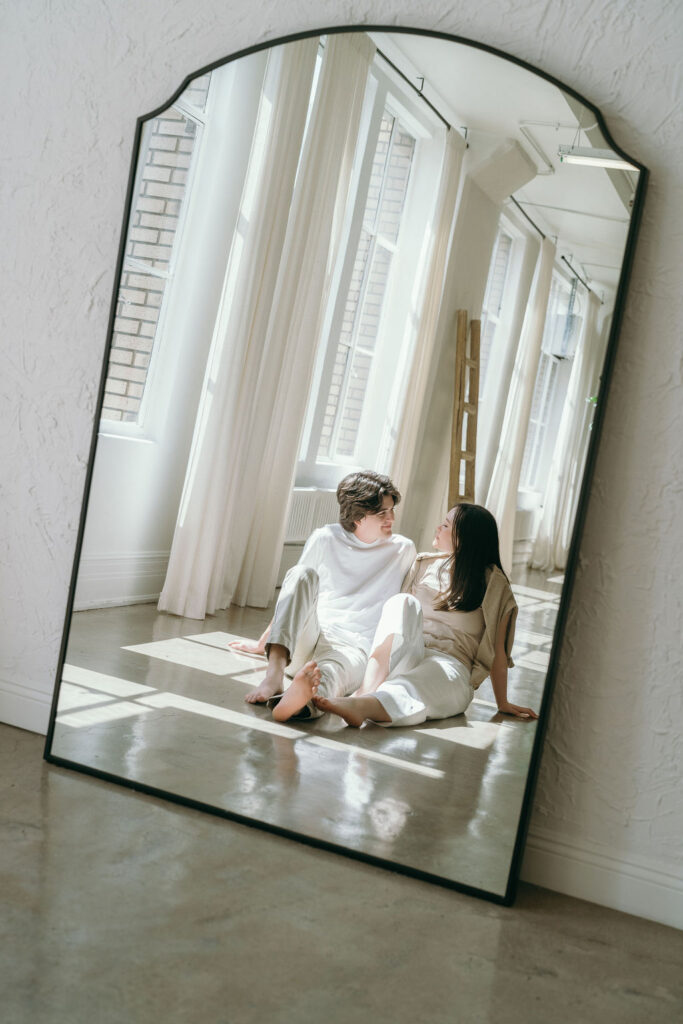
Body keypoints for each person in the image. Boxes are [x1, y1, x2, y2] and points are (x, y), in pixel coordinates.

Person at [312, 503, 539, 727]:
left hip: (451, 664)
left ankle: (363, 706)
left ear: (463, 537)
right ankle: (364, 692)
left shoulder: (495, 584)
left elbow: (498, 652)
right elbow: (396, 624)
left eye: (446, 525)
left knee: (417, 684)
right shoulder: (423, 563)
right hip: (409, 652)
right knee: (402, 601)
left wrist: (503, 703)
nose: (438, 528)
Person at [230, 471, 416, 722]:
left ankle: (299, 703)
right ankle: (274, 676)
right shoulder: (325, 538)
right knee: (301, 574)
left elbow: (405, 611)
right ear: (358, 516)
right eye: (382, 513)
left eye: (392, 510)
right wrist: (264, 642)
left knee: (330, 676)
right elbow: (293, 596)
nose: (391, 518)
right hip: (309, 637)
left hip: (354, 647)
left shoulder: (403, 550)